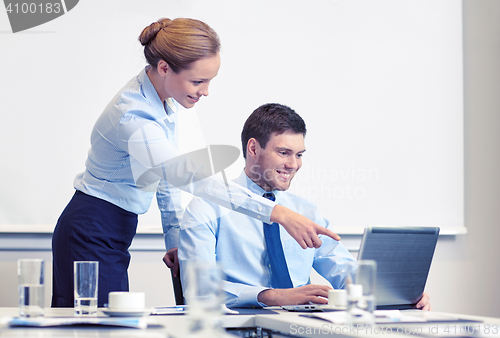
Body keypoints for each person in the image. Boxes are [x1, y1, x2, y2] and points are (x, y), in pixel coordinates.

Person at [51, 18, 339, 308]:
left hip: (113, 225)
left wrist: (173, 239)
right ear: (164, 68)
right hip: (92, 225)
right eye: (198, 81)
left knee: (109, 323)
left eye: (210, 80)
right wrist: (277, 212)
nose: (205, 91)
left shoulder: (164, 99)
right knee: (95, 325)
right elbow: (190, 178)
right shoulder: (134, 117)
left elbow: (161, 177)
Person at [178, 103, 431, 310]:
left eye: (299, 155)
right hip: (238, 328)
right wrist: (273, 296)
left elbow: (340, 267)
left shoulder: (305, 211)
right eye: (284, 153)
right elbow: (200, 291)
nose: (293, 165)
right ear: (253, 148)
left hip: (303, 326)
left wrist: (393, 294)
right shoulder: (206, 208)